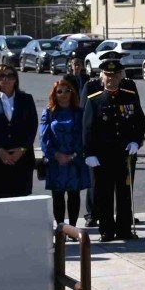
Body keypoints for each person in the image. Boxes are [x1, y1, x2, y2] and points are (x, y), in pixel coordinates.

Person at [83, 60, 145, 241]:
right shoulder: (94, 100)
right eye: (108, 75)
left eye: (115, 75)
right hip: (103, 156)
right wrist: (89, 153)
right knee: (104, 193)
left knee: (125, 193)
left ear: (121, 76)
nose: (111, 78)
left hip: (125, 154)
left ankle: (124, 229)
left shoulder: (130, 96)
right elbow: (87, 128)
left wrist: (136, 142)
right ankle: (106, 230)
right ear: (102, 76)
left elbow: (139, 122)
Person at [0, 64, 38, 199]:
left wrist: (22, 149)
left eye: (10, 75)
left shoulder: (26, 99)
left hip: (21, 159)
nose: (7, 79)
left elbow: (32, 127)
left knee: (21, 203)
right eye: (2, 76)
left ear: (15, 79)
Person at [41, 77, 92, 229]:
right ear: (54, 94)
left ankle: (73, 227)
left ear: (72, 93)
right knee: (57, 196)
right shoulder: (49, 113)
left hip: (74, 160)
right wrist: (56, 154)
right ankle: (61, 228)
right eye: (59, 91)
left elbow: (84, 135)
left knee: (74, 195)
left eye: (67, 91)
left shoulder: (79, 113)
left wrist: (74, 155)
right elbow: (44, 136)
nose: (63, 94)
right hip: (56, 161)